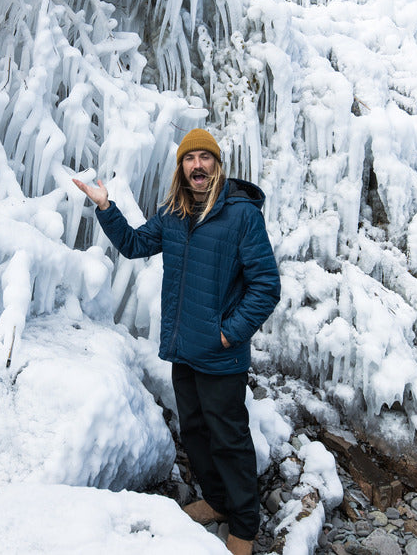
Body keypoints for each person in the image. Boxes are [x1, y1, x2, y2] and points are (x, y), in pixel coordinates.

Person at [73, 128, 280, 555]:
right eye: (190, 159)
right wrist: (106, 207)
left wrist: (230, 332)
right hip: (185, 351)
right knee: (196, 432)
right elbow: (133, 245)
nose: (197, 166)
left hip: (221, 356)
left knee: (230, 438)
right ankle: (218, 501)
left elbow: (266, 285)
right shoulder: (174, 213)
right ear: (182, 168)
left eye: (205, 158)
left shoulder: (241, 215)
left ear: (216, 166)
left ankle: (244, 525)